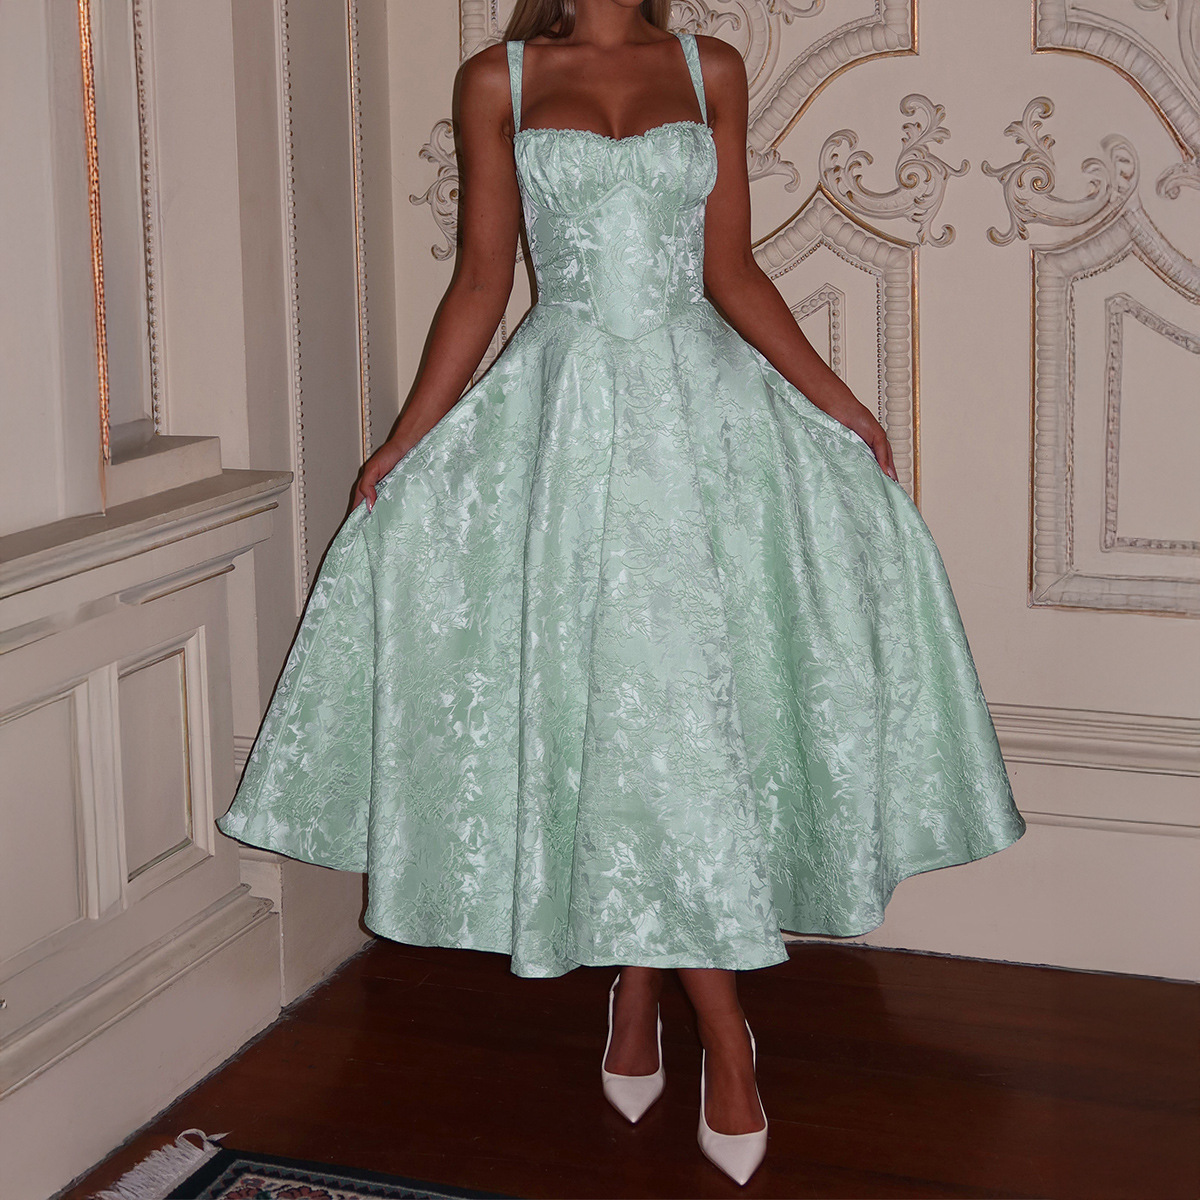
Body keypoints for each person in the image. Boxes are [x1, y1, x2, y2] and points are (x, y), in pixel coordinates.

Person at [218, 0, 1026, 1186]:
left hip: (703, 427)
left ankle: (658, 997)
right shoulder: (497, 79)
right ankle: (713, 1030)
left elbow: (732, 270)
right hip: (565, 426)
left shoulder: (712, 68)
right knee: (619, 716)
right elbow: (482, 282)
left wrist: (841, 404)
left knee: (675, 725)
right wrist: (406, 440)